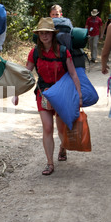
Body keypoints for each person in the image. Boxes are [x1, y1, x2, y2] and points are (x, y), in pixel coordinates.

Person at [25, 17, 82, 176]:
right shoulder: (34, 52)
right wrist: (16, 92)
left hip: (62, 94)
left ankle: (63, 147)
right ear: (38, 35)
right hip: (43, 94)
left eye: (47, 33)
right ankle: (50, 163)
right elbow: (25, 73)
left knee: (62, 128)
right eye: (41, 33)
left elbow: (73, 74)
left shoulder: (63, 51)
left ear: (52, 34)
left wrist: (79, 95)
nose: (44, 36)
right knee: (48, 127)